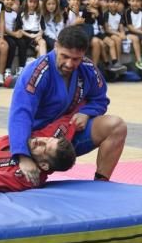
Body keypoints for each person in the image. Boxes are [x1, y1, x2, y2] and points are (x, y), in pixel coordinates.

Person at [8, 25, 127, 183]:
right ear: (56, 46)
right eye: (64, 56)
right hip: (39, 145)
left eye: (76, 59)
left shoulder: (88, 68)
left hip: (68, 137)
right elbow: (20, 114)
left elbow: (100, 99)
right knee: (22, 181)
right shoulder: (36, 72)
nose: (70, 64)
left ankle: (101, 183)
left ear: (83, 53)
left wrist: (87, 112)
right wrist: (23, 157)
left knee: (117, 126)